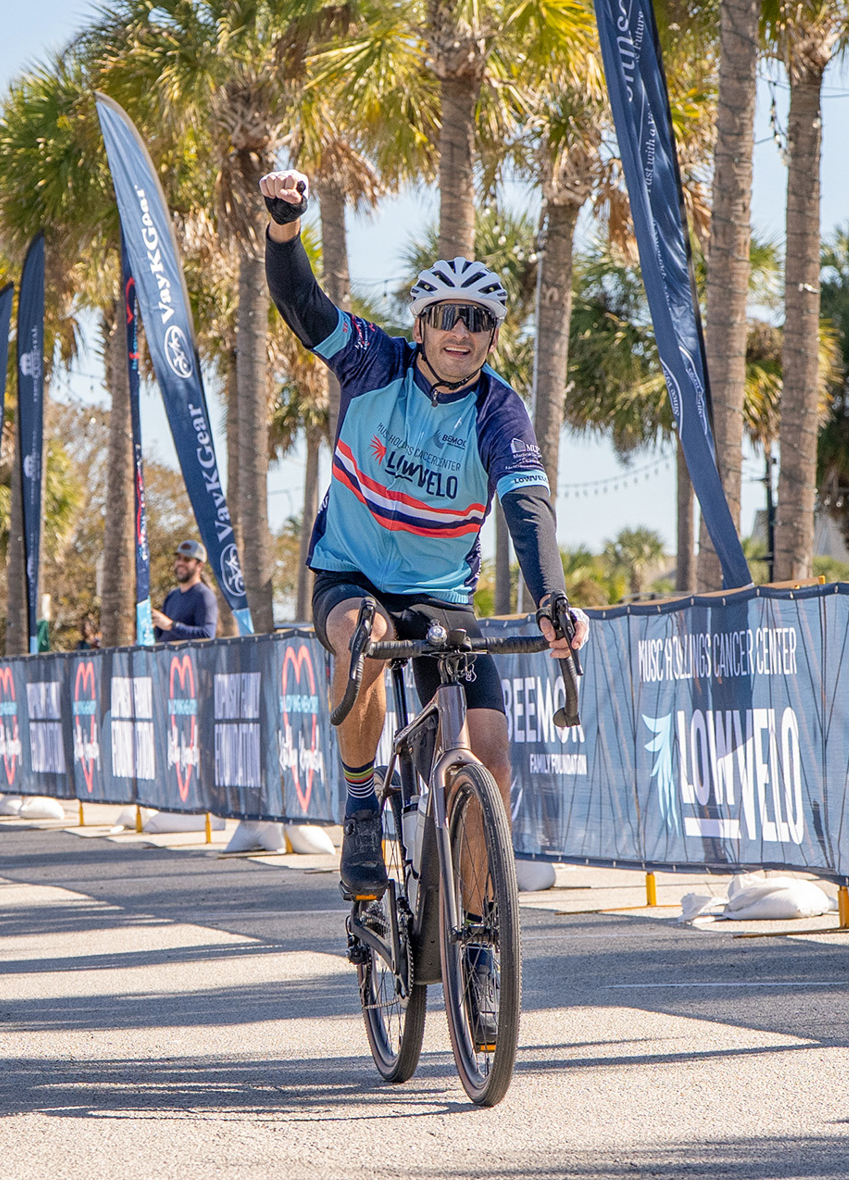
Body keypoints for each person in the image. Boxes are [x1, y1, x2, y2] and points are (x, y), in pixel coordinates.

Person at [260, 168, 587, 904]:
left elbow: (528, 507)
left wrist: (552, 597)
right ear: (421, 326)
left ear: (492, 336)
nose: (460, 332)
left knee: (491, 757)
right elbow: (301, 302)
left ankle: (475, 936)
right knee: (363, 639)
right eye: (447, 315)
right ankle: (358, 806)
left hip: (442, 599)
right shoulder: (372, 361)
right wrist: (285, 227)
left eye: (478, 320)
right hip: (355, 576)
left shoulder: (499, 411)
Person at [151, 540, 218, 641]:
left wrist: (172, 626)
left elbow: (207, 634)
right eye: (178, 558)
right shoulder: (172, 596)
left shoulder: (204, 595)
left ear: (199, 565)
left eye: (187, 559)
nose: (180, 563)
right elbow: (160, 635)